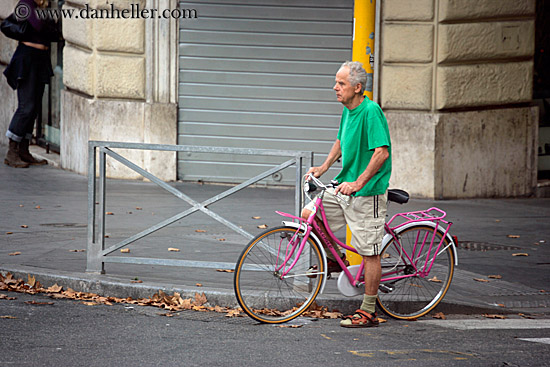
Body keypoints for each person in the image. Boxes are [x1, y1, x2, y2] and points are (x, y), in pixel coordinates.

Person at [302, 61, 391, 328]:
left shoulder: (370, 111)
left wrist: (358, 183)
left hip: (367, 193)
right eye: (336, 82)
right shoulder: (348, 110)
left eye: (341, 83)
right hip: (343, 187)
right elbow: (341, 140)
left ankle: (368, 311)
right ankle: (336, 260)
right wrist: (324, 167)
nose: (335, 87)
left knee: (369, 253)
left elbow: (381, 153)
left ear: (357, 87)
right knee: (309, 215)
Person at [3, 0, 61, 168]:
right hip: (26, 59)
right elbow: (39, 26)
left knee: (34, 107)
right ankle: (12, 151)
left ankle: (23, 149)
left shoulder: (39, 8)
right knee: (26, 106)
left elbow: (53, 32)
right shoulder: (26, 4)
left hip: (40, 59)